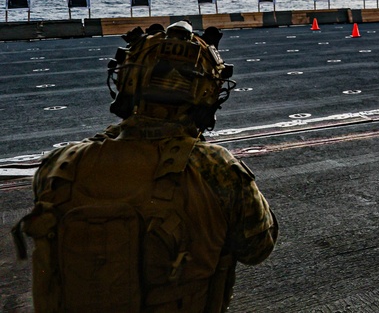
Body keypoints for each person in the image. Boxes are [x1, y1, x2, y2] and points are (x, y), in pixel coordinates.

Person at [12, 20, 278, 313]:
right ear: (207, 93)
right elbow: (258, 247)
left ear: (126, 81)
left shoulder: (61, 165)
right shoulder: (218, 169)